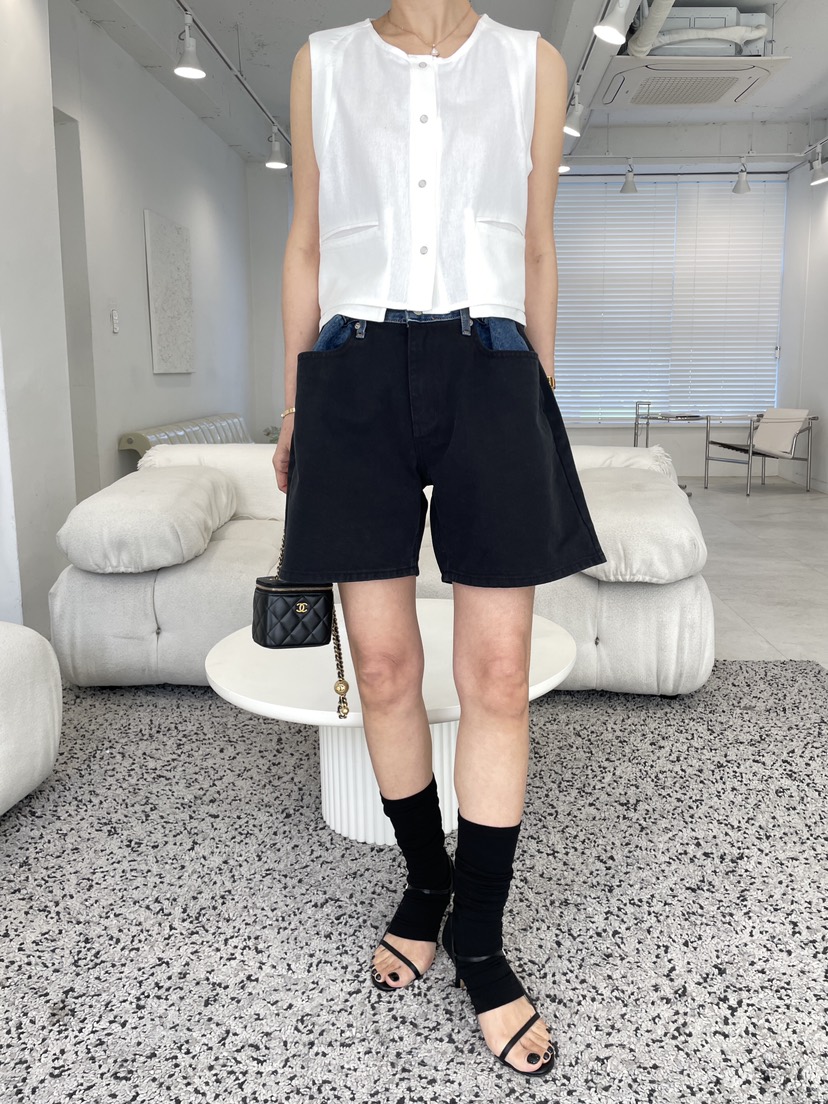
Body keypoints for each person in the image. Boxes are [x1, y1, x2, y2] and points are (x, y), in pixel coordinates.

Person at [272, 0, 606, 1078]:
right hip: (352, 370)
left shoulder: (532, 63)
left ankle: (479, 934)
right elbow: (308, 242)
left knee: (497, 675)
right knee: (381, 667)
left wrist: (537, 400)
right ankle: (426, 881)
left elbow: (539, 247)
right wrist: (295, 406)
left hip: (492, 364)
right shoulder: (323, 63)